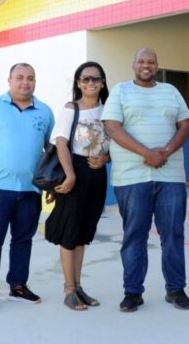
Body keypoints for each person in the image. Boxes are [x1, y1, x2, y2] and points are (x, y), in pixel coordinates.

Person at [102, 47, 189, 312]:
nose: (146, 65)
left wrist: (164, 153)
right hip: (132, 177)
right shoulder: (120, 91)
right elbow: (112, 127)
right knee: (134, 235)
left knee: (173, 234)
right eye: (141, 61)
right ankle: (132, 292)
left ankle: (176, 289)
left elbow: (185, 125)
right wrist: (147, 154)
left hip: (171, 176)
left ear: (157, 65)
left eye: (151, 62)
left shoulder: (171, 91)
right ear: (133, 65)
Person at [0, 63, 54, 313]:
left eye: (30, 78)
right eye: (20, 78)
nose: (25, 82)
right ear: (9, 80)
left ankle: (18, 285)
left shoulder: (45, 112)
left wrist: (50, 184)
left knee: (23, 240)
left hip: (30, 191)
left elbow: (50, 151)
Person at [44, 62, 110, 311]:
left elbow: (114, 143)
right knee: (70, 232)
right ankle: (68, 289)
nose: (91, 83)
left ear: (103, 83)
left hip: (97, 174)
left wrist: (105, 158)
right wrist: (70, 175)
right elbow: (61, 143)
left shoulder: (108, 110)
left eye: (96, 79)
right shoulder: (71, 108)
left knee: (83, 232)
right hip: (76, 171)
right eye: (86, 79)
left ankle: (78, 285)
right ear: (78, 83)